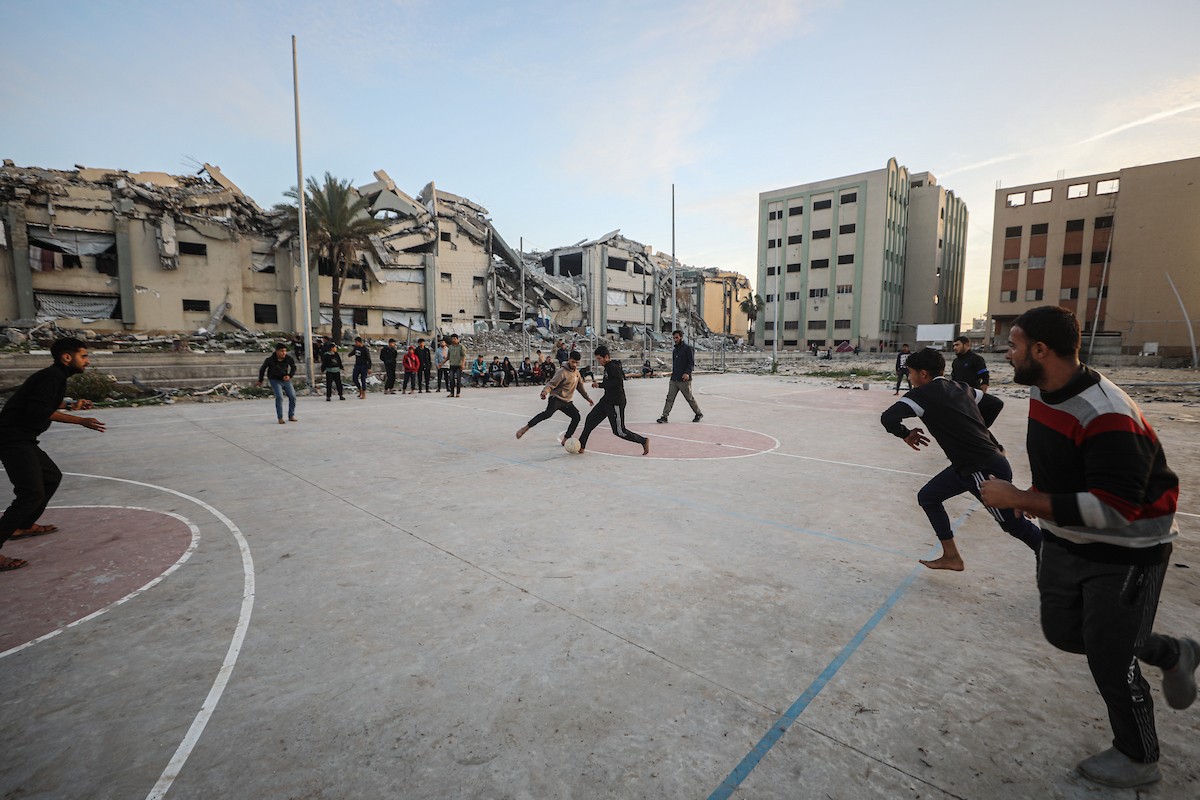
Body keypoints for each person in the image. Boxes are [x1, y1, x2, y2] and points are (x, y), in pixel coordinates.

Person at [979, 306, 1195, 789]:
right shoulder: (1042, 389)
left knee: (1111, 658)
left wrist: (1021, 498)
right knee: (1062, 631)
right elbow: (1059, 459)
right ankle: (1172, 652)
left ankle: (1139, 757)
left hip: (1128, 547)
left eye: (1012, 344)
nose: (1005, 353)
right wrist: (1039, 501)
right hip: (1065, 536)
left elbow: (1117, 508)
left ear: (1041, 350)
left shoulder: (1107, 413)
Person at [879, 347, 1041, 571]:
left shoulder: (920, 395)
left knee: (1015, 526)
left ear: (923, 374)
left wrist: (906, 434)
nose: (909, 377)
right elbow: (995, 404)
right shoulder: (962, 388)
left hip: (980, 469)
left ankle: (1054, 559)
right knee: (928, 497)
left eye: (911, 372)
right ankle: (951, 556)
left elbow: (888, 418)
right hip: (973, 465)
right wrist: (976, 428)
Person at [0, 338, 106, 572]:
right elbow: (38, 408)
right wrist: (80, 421)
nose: (87, 361)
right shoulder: (52, 376)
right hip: (12, 438)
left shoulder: (55, 377)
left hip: (23, 438)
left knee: (51, 478)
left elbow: (42, 401)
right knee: (30, 493)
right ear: (67, 357)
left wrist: (71, 405)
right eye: (84, 356)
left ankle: (23, 526)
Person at [579, 345, 649, 456]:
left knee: (619, 431)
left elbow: (617, 382)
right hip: (606, 400)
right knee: (590, 419)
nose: (598, 361)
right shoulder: (607, 367)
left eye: (599, 359)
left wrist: (600, 385)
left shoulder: (613, 367)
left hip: (616, 402)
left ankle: (643, 441)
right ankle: (581, 445)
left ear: (606, 357)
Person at [515, 350, 593, 443]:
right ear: (569, 360)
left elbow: (580, 388)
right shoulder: (562, 372)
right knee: (547, 414)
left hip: (566, 401)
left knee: (576, 417)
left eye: (577, 362)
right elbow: (551, 384)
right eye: (573, 362)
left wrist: (587, 398)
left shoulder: (577, 373)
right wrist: (545, 392)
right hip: (556, 398)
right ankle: (526, 428)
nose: (575, 364)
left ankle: (566, 438)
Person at [657, 330, 702, 423]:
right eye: (674, 338)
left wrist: (687, 373)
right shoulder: (675, 351)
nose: (675, 339)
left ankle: (698, 413)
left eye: (677, 337)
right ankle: (664, 416)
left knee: (689, 398)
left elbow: (691, 363)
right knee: (669, 398)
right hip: (674, 379)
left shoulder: (688, 349)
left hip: (684, 379)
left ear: (681, 337)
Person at [257, 342, 299, 423]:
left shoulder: (288, 358)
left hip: (286, 379)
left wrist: (290, 375)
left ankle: (291, 415)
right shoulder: (270, 360)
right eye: (282, 351)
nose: (284, 353)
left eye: (285, 351)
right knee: (279, 397)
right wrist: (260, 380)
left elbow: (293, 367)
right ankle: (280, 417)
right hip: (275, 380)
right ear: (276, 351)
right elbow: (262, 369)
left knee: (293, 396)